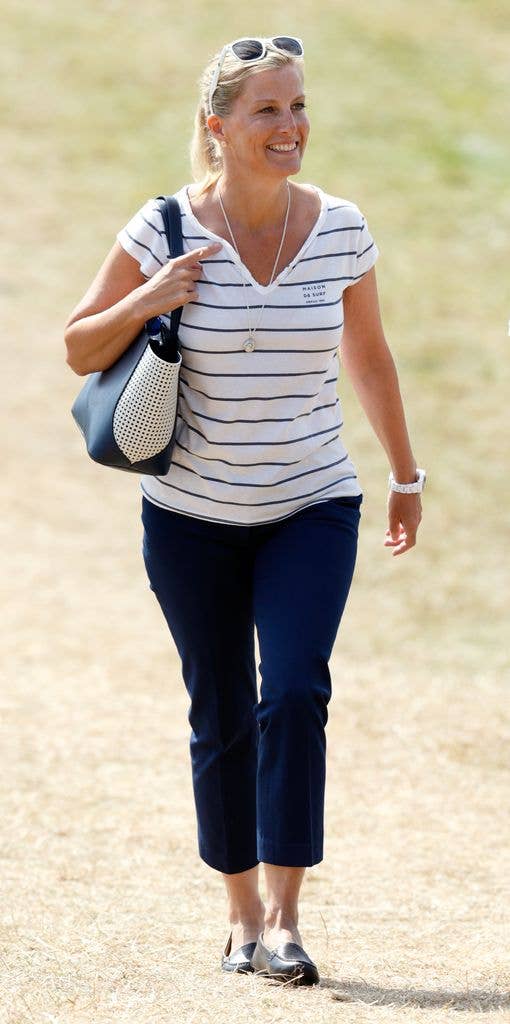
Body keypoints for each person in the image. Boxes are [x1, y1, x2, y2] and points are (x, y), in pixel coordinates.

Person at [65, 36, 424, 986]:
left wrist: (405, 474)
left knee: (295, 689)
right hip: (190, 515)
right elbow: (77, 347)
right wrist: (149, 297)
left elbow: (369, 355)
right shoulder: (163, 229)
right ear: (217, 127)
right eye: (267, 109)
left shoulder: (341, 227)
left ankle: (286, 917)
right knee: (221, 703)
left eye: (297, 106)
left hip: (312, 502)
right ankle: (238, 914)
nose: (290, 125)